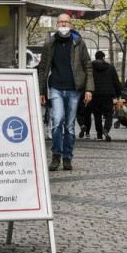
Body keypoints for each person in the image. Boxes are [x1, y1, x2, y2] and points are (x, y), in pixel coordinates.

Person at [37, 13, 93, 171]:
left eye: (66, 22)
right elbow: (43, 68)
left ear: (71, 25)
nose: (63, 25)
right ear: (56, 25)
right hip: (56, 88)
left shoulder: (78, 42)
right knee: (57, 121)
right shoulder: (50, 42)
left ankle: (67, 157)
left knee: (69, 126)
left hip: (74, 90)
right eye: (60, 22)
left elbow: (88, 66)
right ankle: (56, 155)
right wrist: (42, 91)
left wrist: (89, 89)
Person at [89, 51, 122, 141]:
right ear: (103, 58)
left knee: (97, 115)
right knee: (108, 113)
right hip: (108, 95)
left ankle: (99, 135)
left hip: (95, 95)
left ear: (95, 58)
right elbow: (116, 82)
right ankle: (106, 129)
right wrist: (118, 94)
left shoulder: (91, 68)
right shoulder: (110, 67)